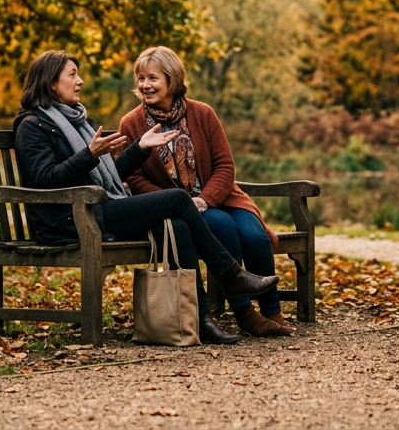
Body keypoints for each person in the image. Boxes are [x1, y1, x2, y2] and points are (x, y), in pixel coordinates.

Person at [13, 50, 277, 345]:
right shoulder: (32, 126)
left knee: (178, 225)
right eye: (72, 75)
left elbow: (110, 175)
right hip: (68, 220)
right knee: (177, 199)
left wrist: (140, 147)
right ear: (51, 83)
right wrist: (89, 155)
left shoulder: (76, 121)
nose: (80, 81)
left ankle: (199, 320)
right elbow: (46, 180)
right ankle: (231, 274)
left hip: (96, 208)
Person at [119, 46, 293, 337]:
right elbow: (135, 178)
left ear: (172, 79)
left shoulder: (203, 114)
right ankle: (245, 313)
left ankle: (272, 312)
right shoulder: (131, 123)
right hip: (177, 209)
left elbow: (225, 166)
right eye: (140, 78)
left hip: (220, 196)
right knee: (222, 227)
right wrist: (178, 202)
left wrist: (205, 198)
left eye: (152, 78)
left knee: (255, 235)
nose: (145, 85)